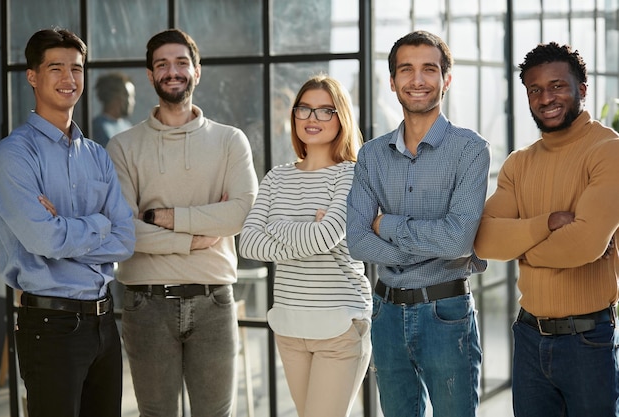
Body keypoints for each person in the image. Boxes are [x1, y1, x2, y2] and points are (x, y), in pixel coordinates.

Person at [106, 29, 258, 417]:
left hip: (214, 302)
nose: (172, 72)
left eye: (181, 63)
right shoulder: (123, 146)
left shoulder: (230, 141)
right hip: (146, 303)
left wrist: (162, 218)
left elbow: (241, 212)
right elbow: (124, 230)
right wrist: (195, 239)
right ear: (149, 75)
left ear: (197, 71)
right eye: (162, 65)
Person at [346, 30, 490, 417]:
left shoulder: (470, 149)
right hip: (386, 314)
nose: (418, 79)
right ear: (392, 82)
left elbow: (458, 241)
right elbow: (357, 241)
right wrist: (430, 242)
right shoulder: (371, 155)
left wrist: (386, 224)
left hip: (446, 314)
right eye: (406, 69)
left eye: (429, 68)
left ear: (446, 79)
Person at [0, 28, 135, 417]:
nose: (69, 79)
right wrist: (98, 223)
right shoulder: (13, 155)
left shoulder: (97, 156)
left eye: (77, 68)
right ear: (33, 76)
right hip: (51, 326)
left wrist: (69, 226)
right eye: (56, 68)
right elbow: (45, 240)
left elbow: (125, 239)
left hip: (105, 324)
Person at [474, 42, 619, 417]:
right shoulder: (518, 163)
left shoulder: (608, 150)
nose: (546, 98)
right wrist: (549, 224)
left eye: (557, 86)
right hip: (528, 336)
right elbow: (484, 239)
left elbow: (585, 244)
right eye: (535, 90)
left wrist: (519, 246)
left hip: (588, 342)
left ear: (582, 89)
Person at [239, 74, 372, 417]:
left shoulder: (352, 174)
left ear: (341, 117)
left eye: (325, 111)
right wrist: (306, 230)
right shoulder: (276, 176)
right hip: (290, 325)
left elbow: (327, 235)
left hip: (339, 325)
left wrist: (276, 226)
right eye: (305, 109)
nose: (313, 119)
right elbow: (249, 244)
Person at [92, 71, 136, 147]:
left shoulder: (127, 126)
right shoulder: (98, 127)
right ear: (115, 96)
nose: (133, 102)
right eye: (129, 96)